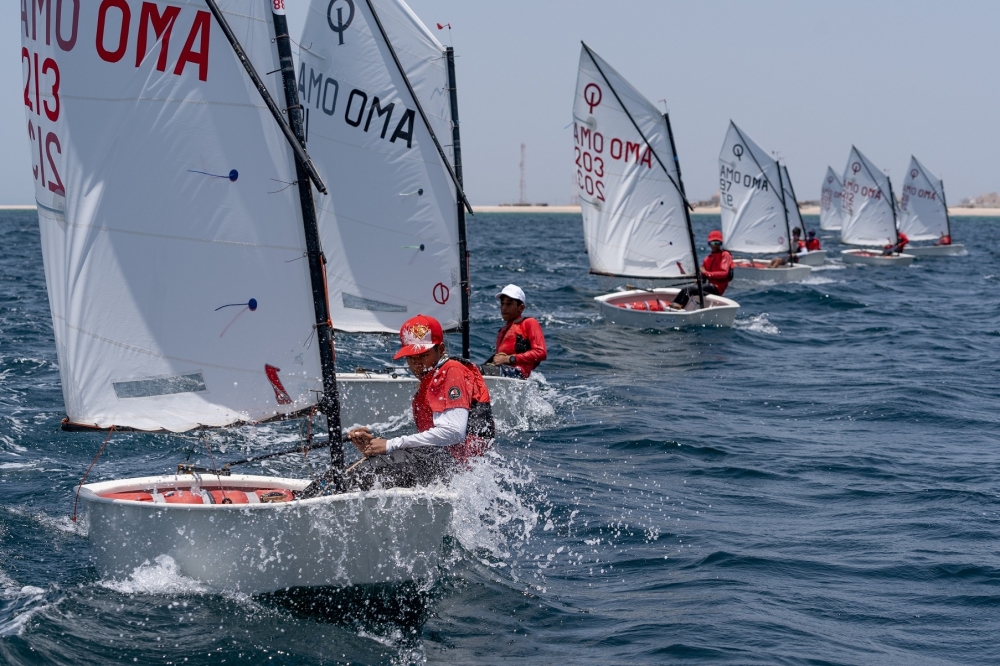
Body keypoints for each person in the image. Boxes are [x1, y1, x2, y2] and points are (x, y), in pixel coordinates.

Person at [300, 315, 495, 496]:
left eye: (423, 356)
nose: (417, 364)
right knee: (345, 473)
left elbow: (453, 432)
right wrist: (373, 446)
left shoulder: (452, 371)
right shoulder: (429, 382)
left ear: (441, 349)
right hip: (439, 463)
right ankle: (307, 497)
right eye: (411, 358)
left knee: (355, 477)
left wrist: (390, 445)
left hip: (450, 466)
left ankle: (305, 502)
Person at [483, 284, 547, 379]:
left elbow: (541, 352)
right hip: (502, 373)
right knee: (467, 368)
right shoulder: (503, 330)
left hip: (517, 374)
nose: (504, 308)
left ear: (521, 307)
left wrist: (509, 358)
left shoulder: (529, 323)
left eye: (508, 304)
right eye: (502, 303)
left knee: (477, 370)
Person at [669, 230, 734, 310]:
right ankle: (672, 306)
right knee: (685, 289)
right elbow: (703, 277)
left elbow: (724, 274)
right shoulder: (707, 259)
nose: (715, 246)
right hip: (708, 286)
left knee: (689, 290)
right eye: (712, 243)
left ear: (721, 244)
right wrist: (699, 277)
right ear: (709, 244)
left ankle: (678, 308)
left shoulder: (725, 255)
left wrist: (706, 273)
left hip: (717, 288)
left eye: (717, 243)